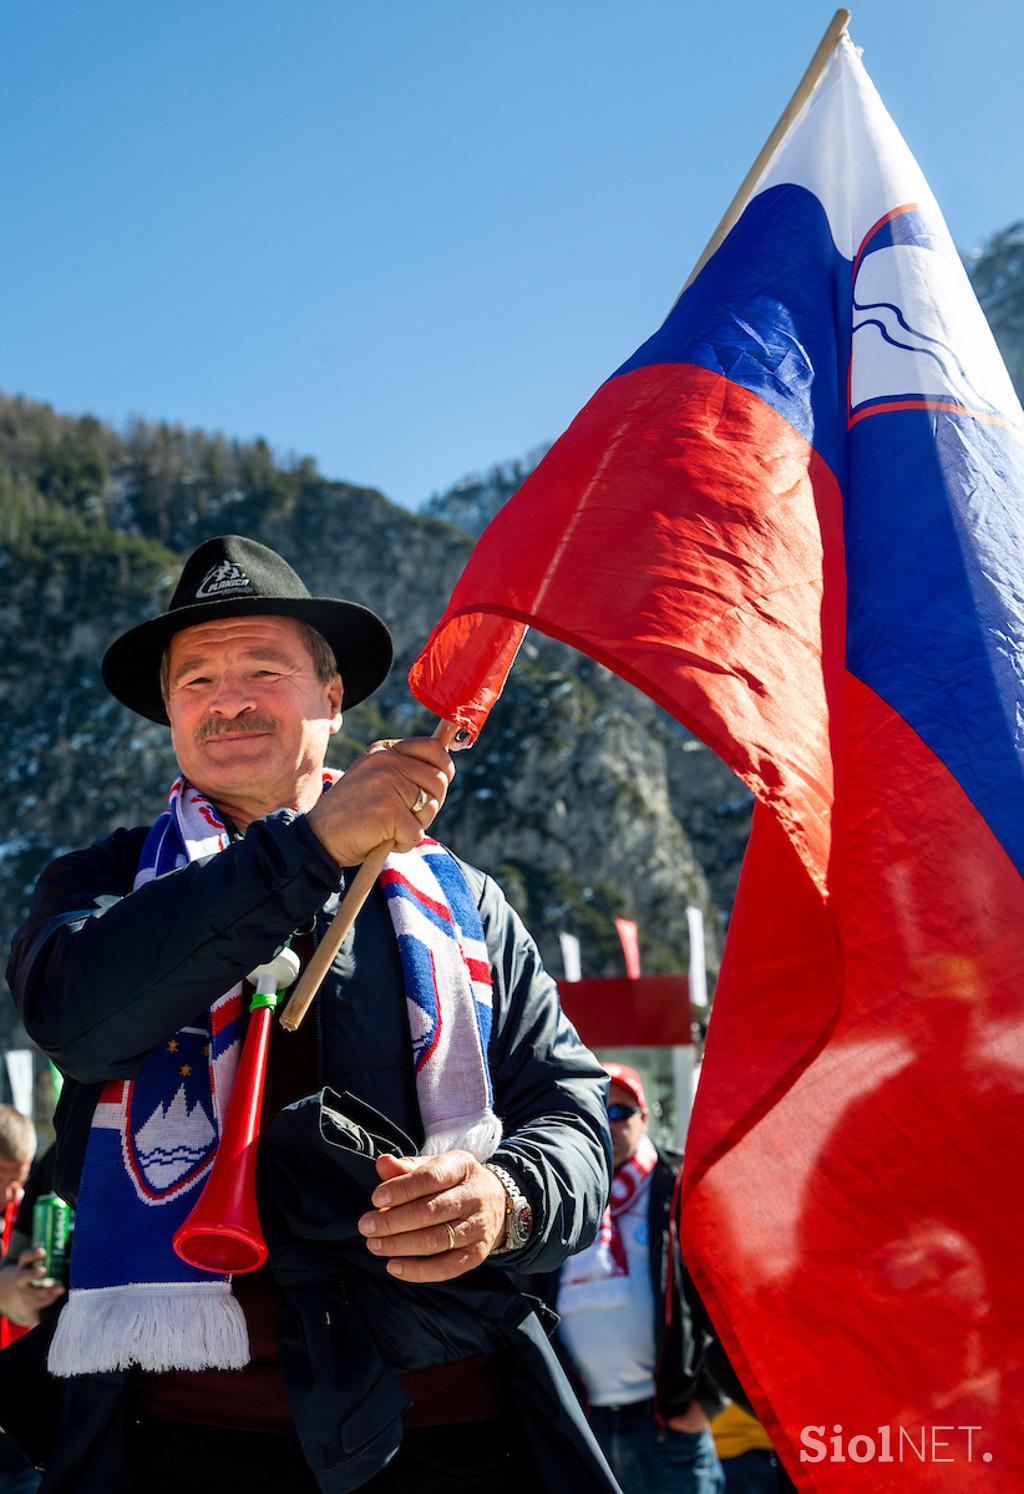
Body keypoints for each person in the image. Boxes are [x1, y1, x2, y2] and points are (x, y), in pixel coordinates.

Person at [5, 535, 618, 1494]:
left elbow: (576, 1117)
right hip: (173, 1439)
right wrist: (311, 847)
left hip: (452, 1429)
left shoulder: (463, 901)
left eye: (263, 669)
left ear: (333, 698)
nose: (228, 698)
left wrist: (507, 1200)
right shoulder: (99, 883)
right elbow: (82, 1020)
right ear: (168, 712)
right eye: (196, 678)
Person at [538, 1062, 726, 1494]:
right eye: (599, 1109)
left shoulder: (681, 1186)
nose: (610, 1122)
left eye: (622, 1112)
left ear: (645, 1117)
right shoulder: (565, 1195)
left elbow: (730, 1296)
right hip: (587, 1426)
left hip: (667, 1424)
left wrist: (711, 1398)